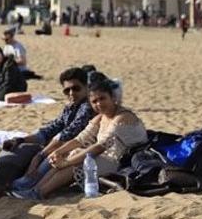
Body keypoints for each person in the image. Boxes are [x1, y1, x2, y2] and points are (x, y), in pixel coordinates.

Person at [0, 66, 95, 202]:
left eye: (76, 88)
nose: (71, 93)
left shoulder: (87, 107)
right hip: (50, 148)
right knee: (12, 153)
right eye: (66, 90)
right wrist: (21, 139)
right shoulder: (71, 107)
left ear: (86, 88)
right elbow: (50, 129)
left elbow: (68, 135)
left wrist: (39, 155)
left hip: (68, 151)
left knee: (24, 174)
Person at [15, 76, 145, 200]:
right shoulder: (100, 117)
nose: (99, 104)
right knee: (70, 154)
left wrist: (67, 162)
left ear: (113, 98)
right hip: (106, 157)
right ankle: (35, 188)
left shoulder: (122, 117)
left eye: (102, 98)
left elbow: (100, 146)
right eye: (94, 101)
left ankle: (40, 193)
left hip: (123, 162)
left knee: (76, 164)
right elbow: (80, 139)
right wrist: (58, 152)